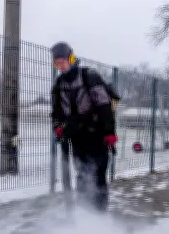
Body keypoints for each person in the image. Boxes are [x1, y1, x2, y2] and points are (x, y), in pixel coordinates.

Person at [50, 41, 118, 212]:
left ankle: (100, 213)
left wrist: (109, 132)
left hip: (97, 135)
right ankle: (84, 212)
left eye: (63, 62)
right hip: (76, 137)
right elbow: (56, 112)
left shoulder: (89, 76)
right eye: (57, 64)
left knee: (98, 175)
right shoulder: (59, 84)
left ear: (71, 58)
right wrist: (58, 127)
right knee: (81, 174)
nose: (61, 66)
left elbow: (104, 106)